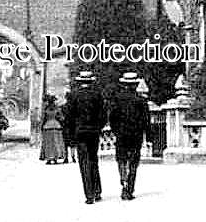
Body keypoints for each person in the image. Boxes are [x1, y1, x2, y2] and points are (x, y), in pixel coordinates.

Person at [63, 70, 105, 204]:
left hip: (80, 132)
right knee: (93, 159)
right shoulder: (97, 95)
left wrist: (70, 133)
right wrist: (99, 127)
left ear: (80, 82)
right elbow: (103, 115)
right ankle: (97, 191)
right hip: (94, 132)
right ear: (91, 81)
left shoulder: (73, 96)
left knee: (84, 162)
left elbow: (69, 117)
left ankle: (89, 194)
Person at [107, 71, 150, 201]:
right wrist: (147, 136)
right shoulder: (141, 100)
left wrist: (116, 131)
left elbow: (112, 117)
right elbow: (146, 120)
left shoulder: (117, 99)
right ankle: (129, 188)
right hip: (136, 135)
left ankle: (124, 181)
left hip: (121, 135)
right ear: (136, 84)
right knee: (133, 161)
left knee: (121, 159)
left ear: (124, 84)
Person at [38, 94, 67, 164]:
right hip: (56, 126)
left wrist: (41, 126)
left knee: (48, 143)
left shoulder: (46, 109)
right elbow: (61, 118)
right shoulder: (57, 109)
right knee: (56, 143)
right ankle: (55, 157)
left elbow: (43, 119)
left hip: (47, 126)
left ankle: (48, 158)